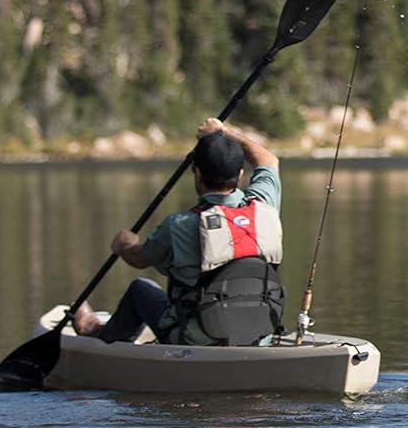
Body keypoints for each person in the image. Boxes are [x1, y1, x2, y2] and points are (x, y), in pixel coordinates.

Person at [72, 117, 286, 346]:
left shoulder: (180, 225)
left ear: (197, 174)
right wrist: (224, 132)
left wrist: (124, 245)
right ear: (241, 174)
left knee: (141, 289)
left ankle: (96, 333)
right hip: (258, 335)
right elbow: (268, 159)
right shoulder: (264, 206)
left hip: (196, 340)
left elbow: (139, 259)